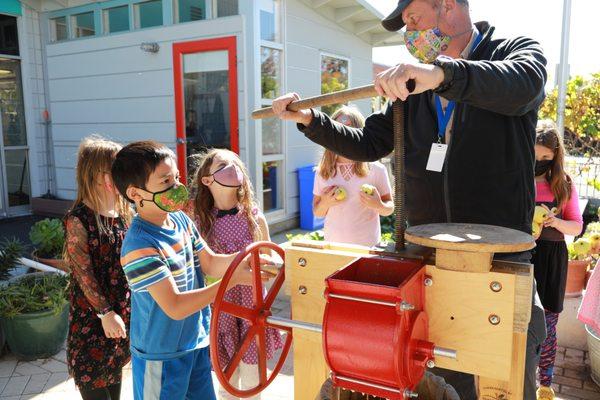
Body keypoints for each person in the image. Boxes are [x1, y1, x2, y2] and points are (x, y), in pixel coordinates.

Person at [272, 0, 548, 398]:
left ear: (449, 7)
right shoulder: (412, 88)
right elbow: (369, 142)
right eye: (405, 26)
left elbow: (524, 84)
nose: (409, 34)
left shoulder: (510, 52)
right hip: (425, 255)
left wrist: (440, 75)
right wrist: (310, 121)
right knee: (436, 371)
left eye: (414, 19)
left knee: (503, 377)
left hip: (498, 257)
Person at [111, 141, 274, 400]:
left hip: (195, 344)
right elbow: (175, 305)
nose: (176, 187)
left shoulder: (180, 220)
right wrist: (232, 281)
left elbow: (209, 262)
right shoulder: (139, 245)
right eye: (165, 182)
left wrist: (248, 260)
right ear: (135, 193)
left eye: (176, 177)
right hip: (162, 357)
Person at [191, 148, 283, 399]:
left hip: (253, 305)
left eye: (234, 162)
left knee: (253, 381)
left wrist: (272, 264)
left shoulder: (254, 216)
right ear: (207, 180)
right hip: (223, 307)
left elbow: (271, 255)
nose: (232, 166)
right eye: (223, 164)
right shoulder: (201, 223)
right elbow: (204, 266)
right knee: (227, 380)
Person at [64, 136, 132, 400]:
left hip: (120, 316)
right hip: (93, 321)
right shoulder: (78, 219)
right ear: (96, 175)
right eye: (116, 171)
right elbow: (83, 273)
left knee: (114, 391)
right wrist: (105, 313)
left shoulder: (124, 214)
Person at [532, 121, 583, 400]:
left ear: (555, 157)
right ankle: (522, 372)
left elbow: (577, 226)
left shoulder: (563, 184)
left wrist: (556, 222)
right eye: (535, 156)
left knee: (549, 323)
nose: (539, 162)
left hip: (552, 259)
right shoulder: (518, 180)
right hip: (523, 255)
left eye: (546, 158)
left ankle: (545, 382)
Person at [313, 106, 393, 247]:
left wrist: (378, 205)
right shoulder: (323, 171)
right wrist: (325, 202)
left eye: (347, 130)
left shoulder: (376, 169)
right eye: (337, 129)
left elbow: (389, 208)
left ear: (359, 134)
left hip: (367, 246)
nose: (342, 136)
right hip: (334, 247)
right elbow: (317, 212)